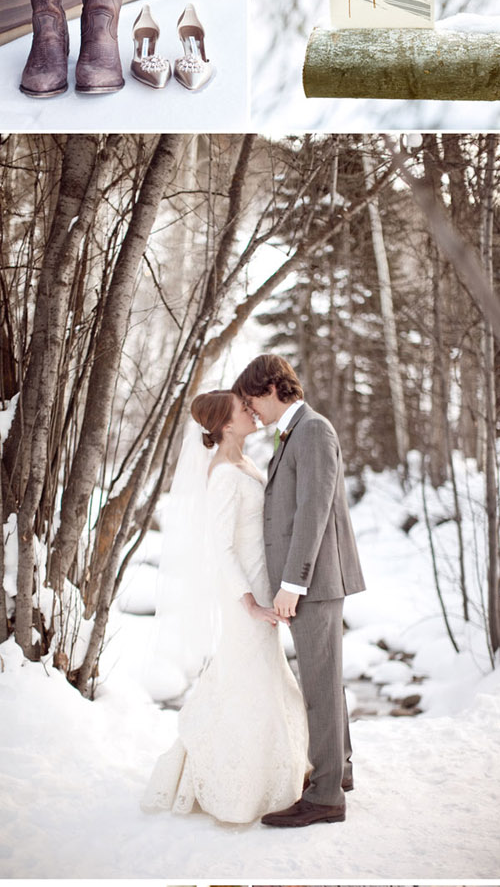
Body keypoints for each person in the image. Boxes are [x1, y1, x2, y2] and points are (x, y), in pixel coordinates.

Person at [141, 388, 309, 824]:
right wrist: (249, 602)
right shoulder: (222, 475)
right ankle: (237, 783)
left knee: (256, 679)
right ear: (226, 424)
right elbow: (221, 548)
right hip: (244, 598)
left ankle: (276, 769)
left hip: (262, 589)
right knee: (249, 683)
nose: (253, 412)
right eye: (243, 409)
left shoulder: (244, 462)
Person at [233, 352, 365, 827]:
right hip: (313, 581)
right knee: (325, 678)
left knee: (319, 684)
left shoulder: (312, 430)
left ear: (270, 388)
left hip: (315, 582)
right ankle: (339, 770)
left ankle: (326, 796)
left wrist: (292, 584)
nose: (252, 411)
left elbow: (313, 510)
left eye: (252, 400)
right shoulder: (294, 432)